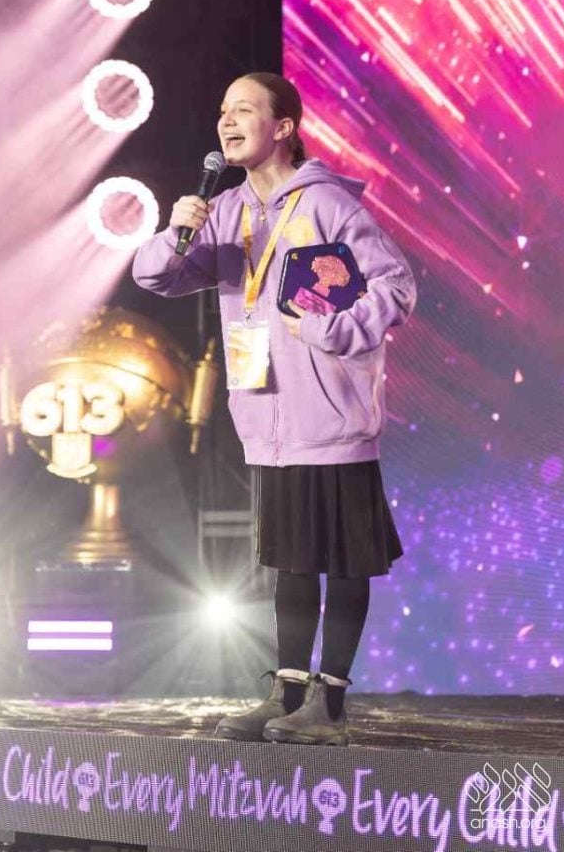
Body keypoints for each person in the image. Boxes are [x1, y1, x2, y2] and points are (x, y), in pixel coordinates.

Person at [132, 72, 416, 745]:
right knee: (291, 561)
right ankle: (286, 695)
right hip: (267, 420)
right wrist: (175, 231)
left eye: (244, 110)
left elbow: (396, 286)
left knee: (342, 561)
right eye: (222, 111)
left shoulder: (326, 203)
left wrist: (328, 329)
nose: (227, 122)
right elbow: (156, 276)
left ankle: (330, 708)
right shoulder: (223, 209)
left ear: (284, 126)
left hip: (332, 416)